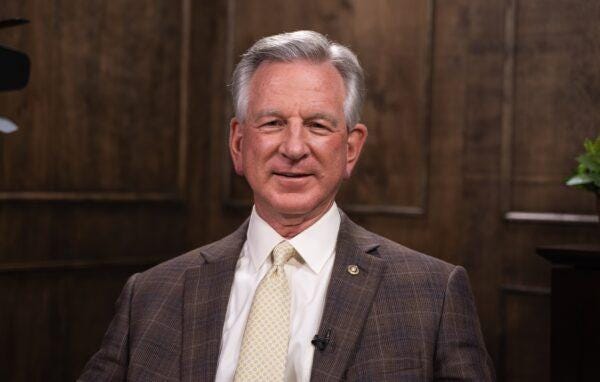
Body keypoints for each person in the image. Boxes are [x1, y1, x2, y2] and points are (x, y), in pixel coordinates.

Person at [80, 30, 495, 381]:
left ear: (350, 149)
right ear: (239, 144)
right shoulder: (150, 295)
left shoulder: (433, 295)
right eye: (273, 123)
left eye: (317, 125)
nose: (294, 148)